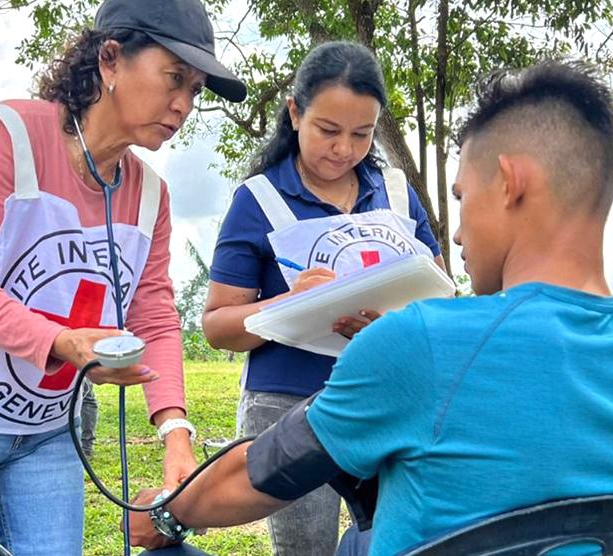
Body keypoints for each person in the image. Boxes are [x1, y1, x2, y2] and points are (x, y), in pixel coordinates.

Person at [129, 59, 613, 556]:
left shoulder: (420, 343)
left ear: (509, 183)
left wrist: (165, 515)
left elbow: (261, 473)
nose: (455, 236)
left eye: (461, 197)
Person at [0, 0, 246, 553]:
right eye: (175, 77)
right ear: (111, 60)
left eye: (195, 90)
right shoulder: (6, 135)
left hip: (46, 427)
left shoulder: (150, 195)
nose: (183, 105)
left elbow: (154, 315)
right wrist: (60, 341)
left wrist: (175, 432)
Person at [200, 41, 442, 555]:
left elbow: (441, 294)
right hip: (285, 406)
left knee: (396, 543)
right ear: (294, 112)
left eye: (362, 134)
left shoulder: (396, 192)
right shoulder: (259, 199)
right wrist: (288, 304)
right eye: (327, 131)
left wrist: (396, 322)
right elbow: (218, 325)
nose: (343, 149)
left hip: (385, 398)